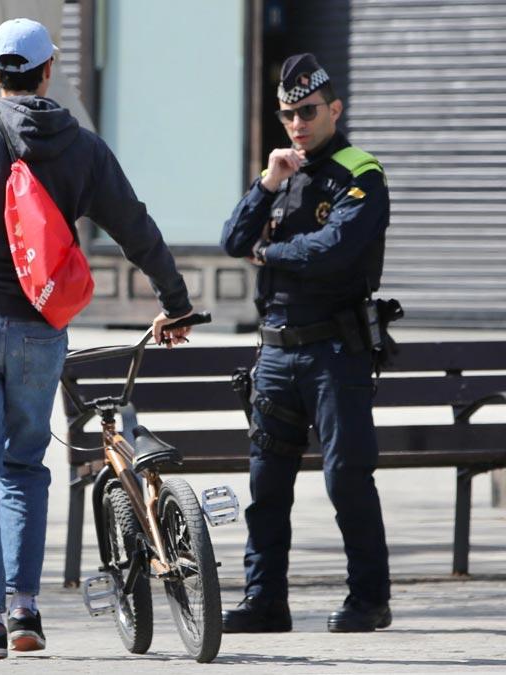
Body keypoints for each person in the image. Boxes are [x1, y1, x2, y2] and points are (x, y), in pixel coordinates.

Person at [0, 17, 194, 660]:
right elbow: (136, 227)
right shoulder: (84, 149)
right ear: (48, 72)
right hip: (41, 330)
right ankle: (24, 613)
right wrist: (175, 302)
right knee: (23, 466)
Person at [219, 53, 393, 633]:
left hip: (333, 352)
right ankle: (265, 601)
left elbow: (333, 250)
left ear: (334, 109)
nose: (298, 123)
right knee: (266, 485)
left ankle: (368, 600)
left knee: (346, 475)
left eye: (309, 111)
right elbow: (232, 240)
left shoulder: (360, 172)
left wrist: (268, 254)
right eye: (288, 113)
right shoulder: (282, 172)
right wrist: (268, 182)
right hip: (275, 354)